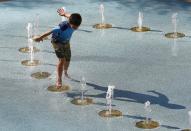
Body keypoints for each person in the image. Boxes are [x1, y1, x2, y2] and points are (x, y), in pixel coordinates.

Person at [34, 8, 82, 88]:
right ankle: (59, 79)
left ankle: (65, 72)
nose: (76, 28)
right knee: (62, 60)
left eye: (77, 27)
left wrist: (64, 14)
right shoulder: (62, 27)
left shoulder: (75, 20)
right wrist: (40, 37)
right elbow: (50, 31)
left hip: (66, 42)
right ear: (70, 23)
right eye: (74, 27)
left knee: (68, 58)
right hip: (57, 42)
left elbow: (70, 15)